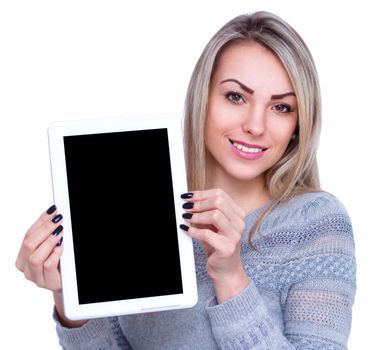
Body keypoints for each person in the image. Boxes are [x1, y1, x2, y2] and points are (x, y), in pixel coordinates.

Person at [15, 11, 356, 349]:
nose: (255, 125)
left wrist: (230, 277)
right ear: (202, 99)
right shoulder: (143, 207)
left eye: (281, 107)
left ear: (299, 123)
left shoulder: (317, 223)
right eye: (236, 96)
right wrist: (69, 295)